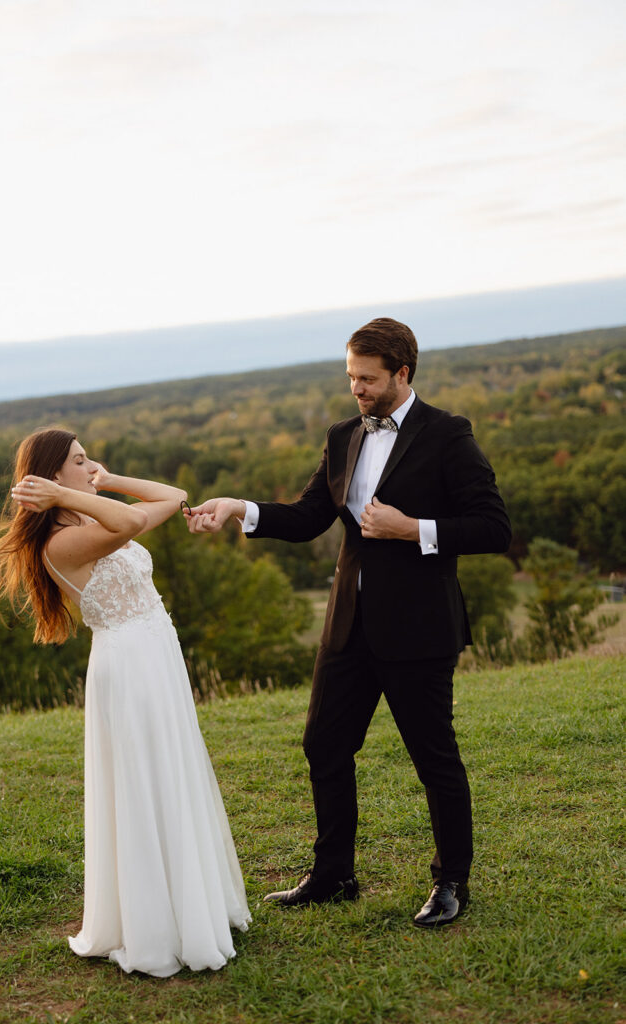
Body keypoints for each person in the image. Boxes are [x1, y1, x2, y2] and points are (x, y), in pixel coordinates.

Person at [185, 318, 511, 927]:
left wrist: (413, 529)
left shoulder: (448, 435)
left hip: (417, 630)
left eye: (368, 379)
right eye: (351, 378)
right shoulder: (342, 436)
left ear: (402, 374)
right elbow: (311, 515)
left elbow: (495, 527)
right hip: (348, 626)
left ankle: (451, 883)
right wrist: (239, 508)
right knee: (324, 744)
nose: (356, 389)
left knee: (432, 756)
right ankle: (334, 874)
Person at [0, 428, 250, 975]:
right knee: (146, 780)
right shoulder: (61, 541)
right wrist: (72, 498)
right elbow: (129, 522)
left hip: (156, 655)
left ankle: (195, 906)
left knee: (171, 771)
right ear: (54, 477)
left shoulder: (85, 517)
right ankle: (160, 927)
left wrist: (106, 480)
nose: (91, 466)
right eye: (80, 462)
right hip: (129, 665)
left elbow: (173, 498)